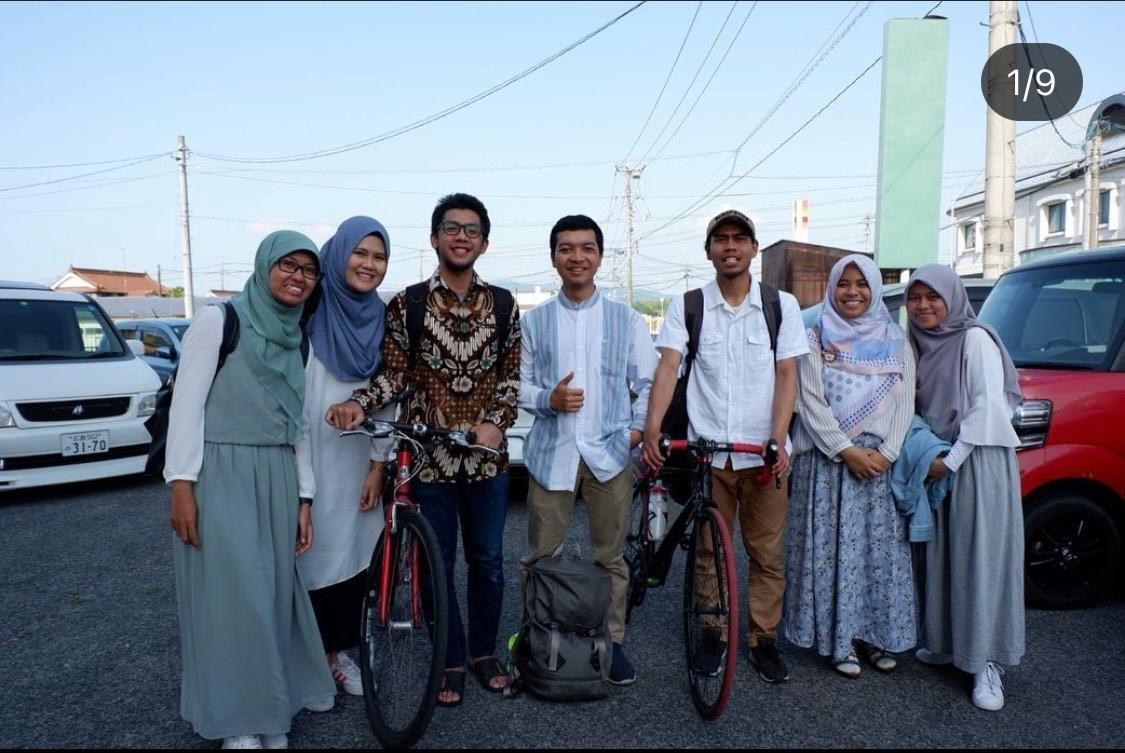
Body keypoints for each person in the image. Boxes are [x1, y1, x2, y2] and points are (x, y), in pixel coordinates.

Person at [324, 193, 520, 708]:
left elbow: (511, 378)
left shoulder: (503, 304)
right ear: (434, 238)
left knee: (489, 562)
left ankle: (483, 653)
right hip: (429, 463)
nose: (461, 237)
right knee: (437, 566)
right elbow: (393, 375)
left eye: (472, 230)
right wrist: (358, 403)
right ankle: (448, 659)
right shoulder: (407, 304)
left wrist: (496, 424)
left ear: (484, 243)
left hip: (486, 462)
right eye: (451, 228)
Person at [167, 231, 335, 750]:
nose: (298, 277)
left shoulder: (299, 340)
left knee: (272, 600)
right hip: (221, 474)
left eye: (309, 270)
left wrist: (305, 498)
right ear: (265, 266)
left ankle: (268, 713)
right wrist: (182, 486)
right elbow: (186, 407)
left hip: (277, 477)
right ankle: (237, 722)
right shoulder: (220, 321)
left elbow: (299, 425)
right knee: (232, 602)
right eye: (288, 265)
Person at [641, 209, 808, 684]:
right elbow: (668, 367)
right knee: (708, 550)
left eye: (739, 238)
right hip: (707, 453)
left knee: (767, 554)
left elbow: (787, 373)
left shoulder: (781, 306)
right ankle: (713, 632)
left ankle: (762, 638)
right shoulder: (689, 306)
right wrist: (652, 428)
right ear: (709, 250)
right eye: (720, 239)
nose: (730, 246)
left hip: (763, 455)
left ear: (754, 248)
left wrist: (778, 436)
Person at [518, 214, 659, 686]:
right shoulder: (534, 322)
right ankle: (537, 637)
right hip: (552, 453)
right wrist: (548, 399)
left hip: (609, 454)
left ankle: (611, 642)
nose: (576, 257)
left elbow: (648, 381)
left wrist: (635, 432)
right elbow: (516, 385)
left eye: (586, 248)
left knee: (609, 558)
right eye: (566, 248)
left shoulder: (625, 319)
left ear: (599, 256)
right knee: (541, 556)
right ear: (553, 257)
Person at [784, 254, 917, 679]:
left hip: (877, 466)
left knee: (877, 557)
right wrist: (845, 450)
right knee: (829, 554)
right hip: (828, 463)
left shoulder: (896, 341)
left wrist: (888, 453)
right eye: (844, 283)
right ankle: (838, 641)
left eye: (862, 284)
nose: (852, 292)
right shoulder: (814, 338)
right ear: (832, 288)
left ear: (875, 289)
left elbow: (905, 401)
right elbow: (809, 402)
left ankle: (875, 636)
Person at [905, 263, 1025, 712]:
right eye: (914, 297)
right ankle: (948, 644)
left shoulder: (974, 339)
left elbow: (987, 405)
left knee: (980, 560)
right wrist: (934, 460)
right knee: (944, 558)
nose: (922, 306)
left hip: (976, 460)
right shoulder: (919, 343)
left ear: (952, 298)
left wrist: (950, 462)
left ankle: (986, 662)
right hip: (940, 460)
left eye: (932, 296)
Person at [295, 216, 395, 698]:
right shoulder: (306, 311)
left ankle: (336, 654)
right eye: (360, 253)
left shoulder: (381, 318)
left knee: (351, 557)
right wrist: (300, 484)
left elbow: (389, 394)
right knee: (304, 554)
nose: (369, 265)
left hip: (356, 462)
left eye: (379, 257)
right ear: (337, 255)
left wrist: (378, 465)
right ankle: (300, 659)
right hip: (303, 454)